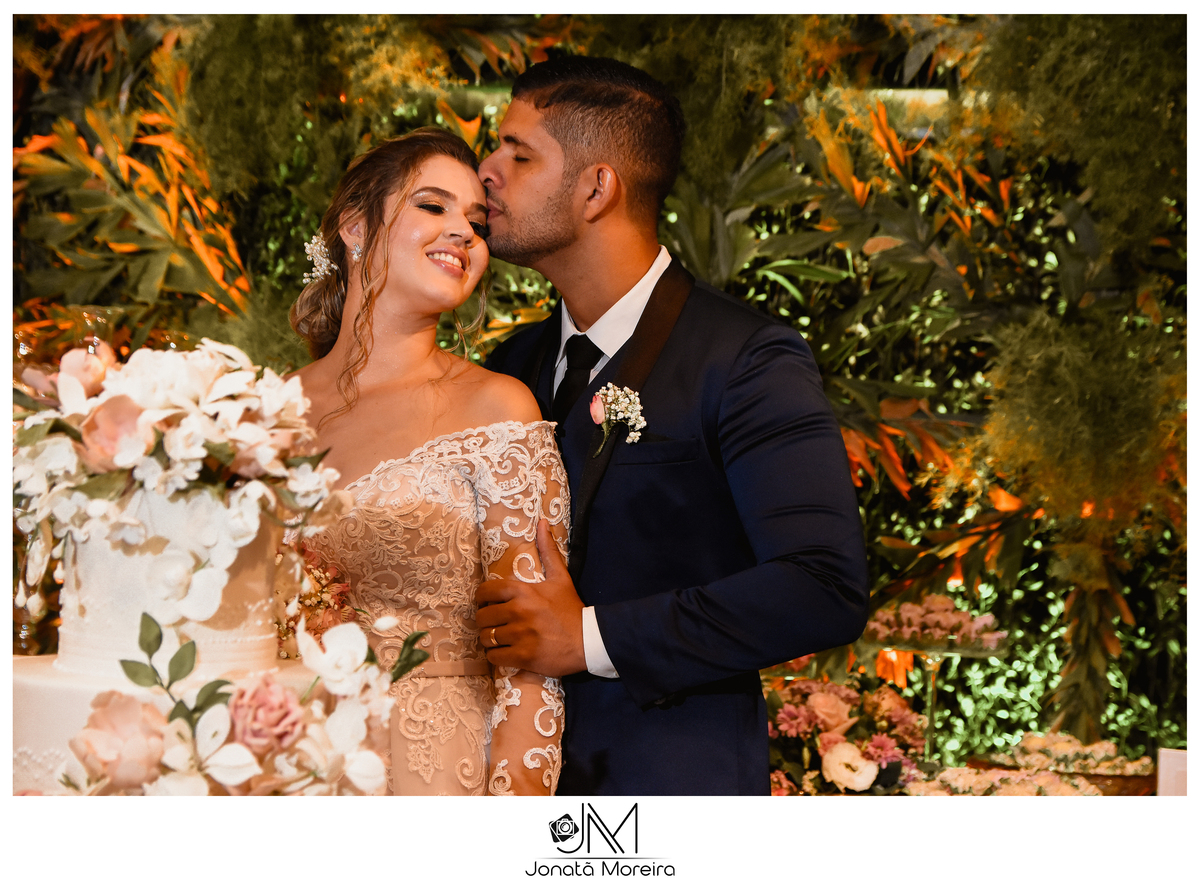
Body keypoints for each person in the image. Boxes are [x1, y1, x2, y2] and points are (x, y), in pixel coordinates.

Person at [476, 57, 870, 795]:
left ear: (597, 188)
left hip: (665, 788)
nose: (485, 173)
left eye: (517, 155)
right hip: (498, 784)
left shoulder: (746, 360)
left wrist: (587, 638)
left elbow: (823, 585)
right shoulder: (507, 368)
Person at [289, 128, 568, 795]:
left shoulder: (498, 408)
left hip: (435, 770)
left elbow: (532, 660)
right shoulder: (263, 411)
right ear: (356, 228)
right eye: (433, 205)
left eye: (477, 221)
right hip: (286, 755)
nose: (464, 232)